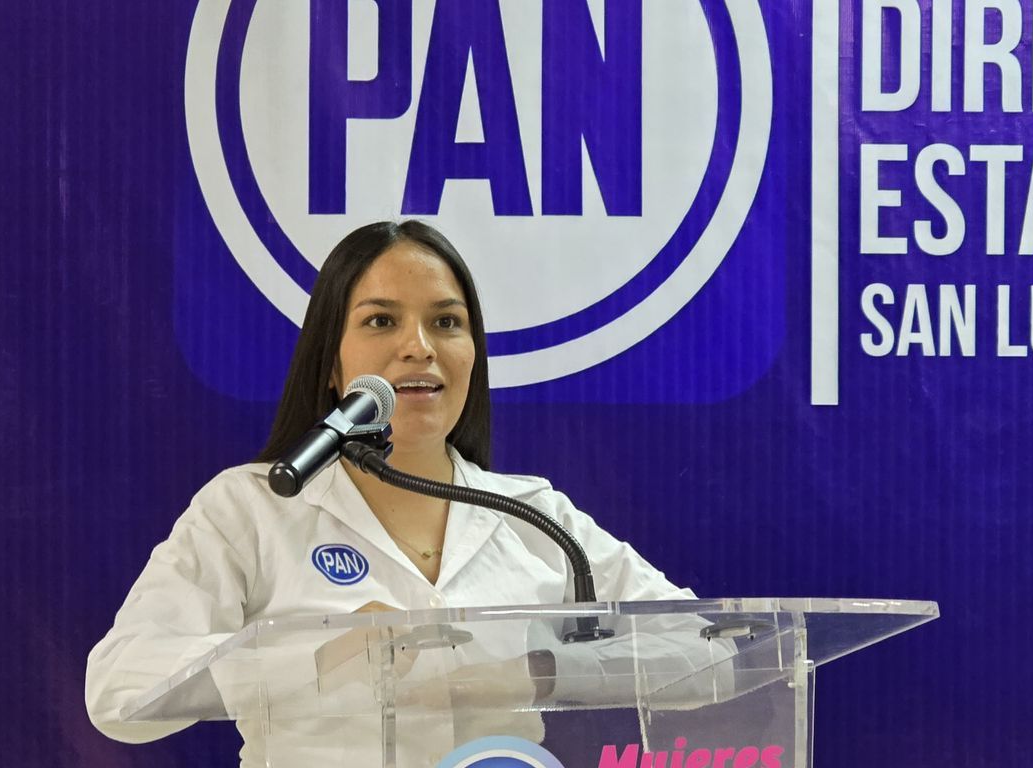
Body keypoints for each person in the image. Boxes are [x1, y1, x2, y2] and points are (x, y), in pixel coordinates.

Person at [85, 221, 705, 765]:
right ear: (331, 363)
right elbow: (119, 691)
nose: (419, 347)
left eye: (446, 322)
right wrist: (317, 655)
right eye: (381, 320)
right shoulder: (252, 508)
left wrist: (539, 671)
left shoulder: (535, 515)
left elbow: (708, 649)